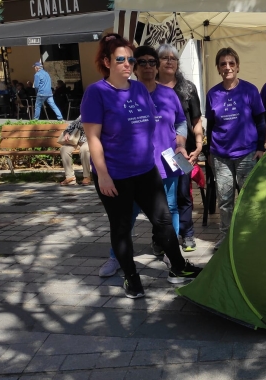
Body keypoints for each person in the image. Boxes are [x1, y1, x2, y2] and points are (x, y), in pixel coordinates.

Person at [81, 33, 200, 298]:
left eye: (130, 59)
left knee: (164, 220)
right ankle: (132, 278)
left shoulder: (138, 89)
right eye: (120, 59)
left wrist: (176, 144)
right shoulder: (97, 93)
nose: (127, 64)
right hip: (116, 175)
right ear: (106, 61)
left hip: (146, 171)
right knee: (122, 228)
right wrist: (103, 175)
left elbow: (151, 126)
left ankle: (178, 267)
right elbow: (93, 139)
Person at [98, 45, 189, 277]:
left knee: (169, 211)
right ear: (134, 66)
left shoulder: (169, 94)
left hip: (166, 163)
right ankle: (114, 257)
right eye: (143, 62)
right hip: (133, 169)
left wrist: (180, 143)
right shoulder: (124, 92)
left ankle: (171, 253)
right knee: (125, 217)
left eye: (152, 62)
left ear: (157, 67)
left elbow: (180, 122)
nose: (148, 66)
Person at [206, 47, 266, 250]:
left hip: (247, 153)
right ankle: (227, 238)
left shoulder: (250, 90)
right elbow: (211, 125)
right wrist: (209, 152)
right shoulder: (213, 94)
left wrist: (260, 148)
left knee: (248, 198)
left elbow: (260, 121)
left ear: (238, 66)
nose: (227, 67)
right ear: (218, 68)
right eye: (223, 64)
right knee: (224, 200)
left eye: (231, 63)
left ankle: (248, 237)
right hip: (221, 155)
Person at [156, 43, 204, 252]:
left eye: (173, 58)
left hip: (184, 151)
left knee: (183, 193)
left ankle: (187, 234)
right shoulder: (148, 86)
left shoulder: (188, 88)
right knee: (159, 198)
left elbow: (195, 120)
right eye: (164, 58)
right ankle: (159, 238)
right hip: (157, 154)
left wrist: (200, 145)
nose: (169, 61)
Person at [59, 117, 92, 186]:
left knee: (84, 149)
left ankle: (87, 176)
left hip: (90, 141)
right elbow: (70, 126)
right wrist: (67, 133)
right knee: (64, 149)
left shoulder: (98, 115)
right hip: (77, 141)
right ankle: (70, 177)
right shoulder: (82, 116)